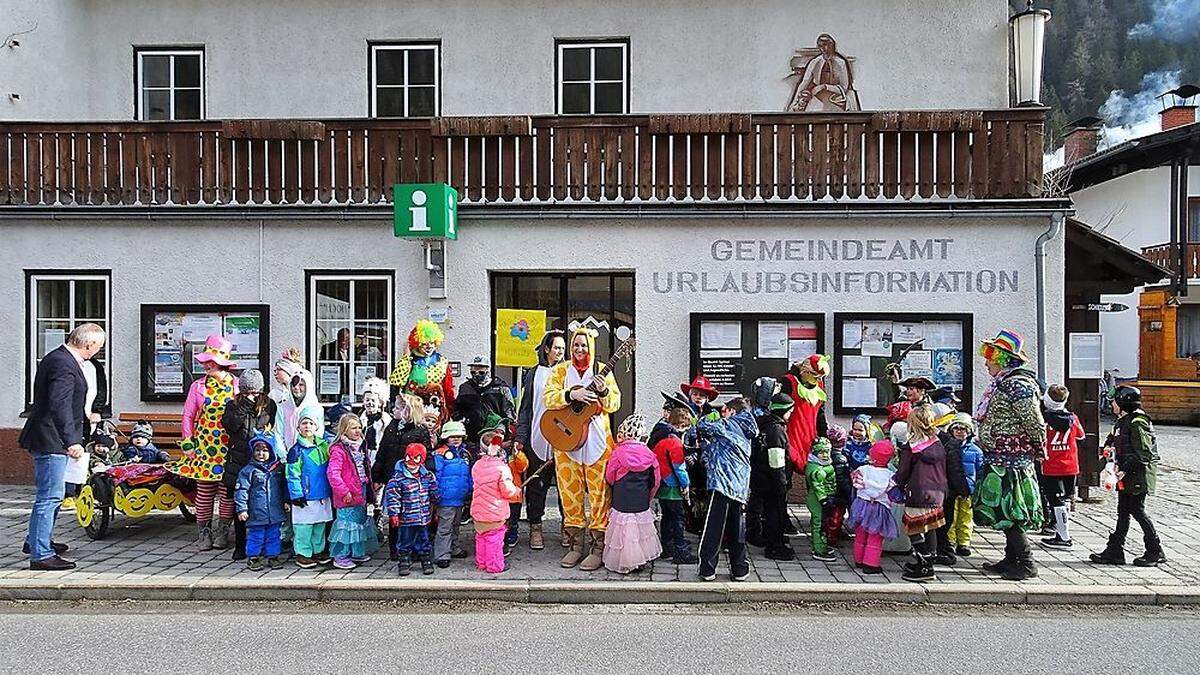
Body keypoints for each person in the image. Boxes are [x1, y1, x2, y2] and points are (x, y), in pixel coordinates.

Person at [20, 323, 105, 570]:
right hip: (52, 439)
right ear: (88, 344)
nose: (97, 352)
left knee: (52, 495)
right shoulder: (64, 364)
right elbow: (59, 405)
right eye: (98, 347)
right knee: (50, 496)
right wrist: (72, 441)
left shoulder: (57, 357)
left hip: (50, 436)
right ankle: (41, 554)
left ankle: (36, 540)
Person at [543, 325, 621, 571]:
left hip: (597, 439)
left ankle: (598, 547)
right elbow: (548, 397)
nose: (579, 349)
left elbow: (615, 403)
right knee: (569, 492)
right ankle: (575, 545)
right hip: (566, 439)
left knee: (599, 494)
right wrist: (570, 395)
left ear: (591, 347)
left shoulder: (601, 372)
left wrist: (604, 391)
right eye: (575, 344)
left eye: (583, 345)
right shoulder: (560, 370)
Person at [972, 330, 1047, 581]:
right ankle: (1011, 558)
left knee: (1011, 510)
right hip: (999, 457)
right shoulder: (1004, 383)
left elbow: (1034, 422)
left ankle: (1026, 563)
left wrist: (1040, 449)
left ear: (1003, 359)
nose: (986, 362)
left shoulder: (1019, 385)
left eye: (990, 356)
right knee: (1002, 511)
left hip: (1012, 461)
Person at [166, 335, 240, 551]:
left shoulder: (236, 385)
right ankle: (204, 532)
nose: (206, 365)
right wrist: (188, 442)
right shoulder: (198, 386)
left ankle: (223, 530)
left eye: (211, 361)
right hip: (204, 447)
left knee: (227, 491)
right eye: (205, 361)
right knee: (205, 491)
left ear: (222, 363)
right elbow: (188, 416)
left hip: (228, 448)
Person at [1090, 386, 1166, 567]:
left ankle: (1155, 550)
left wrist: (1123, 469)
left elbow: (1144, 453)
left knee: (1136, 510)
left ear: (1123, 403)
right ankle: (1115, 551)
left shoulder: (1138, 422)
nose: (1112, 404)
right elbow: (1113, 443)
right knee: (1123, 511)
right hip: (1125, 473)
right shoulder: (1122, 421)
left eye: (1114, 401)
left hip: (1138, 474)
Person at [690, 397, 757, 581]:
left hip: (722, 483)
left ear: (733, 411)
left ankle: (707, 569)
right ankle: (740, 568)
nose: (722, 413)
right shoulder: (746, 428)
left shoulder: (727, 425)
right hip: (740, 486)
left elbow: (702, 426)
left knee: (713, 527)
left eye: (725, 409)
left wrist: (706, 414)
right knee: (737, 529)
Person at [514, 330, 566, 551]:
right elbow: (525, 408)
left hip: (565, 438)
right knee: (536, 485)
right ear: (547, 349)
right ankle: (536, 527)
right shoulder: (533, 373)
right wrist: (520, 437)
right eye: (556, 347)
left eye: (563, 348)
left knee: (565, 486)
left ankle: (568, 528)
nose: (560, 352)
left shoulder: (568, 372)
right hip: (537, 437)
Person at [221, 369, 277, 561]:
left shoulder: (269, 405)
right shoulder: (232, 405)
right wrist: (244, 405)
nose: (251, 396)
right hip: (239, 461)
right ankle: (240, 545)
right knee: (240, 504)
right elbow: (230, 426)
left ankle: (262, 546)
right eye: (246, 392)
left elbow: (269, 428)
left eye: (254, 393)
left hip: (261, 459)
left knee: (261, 503)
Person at [371, 394, 435, 558]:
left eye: (398, 408)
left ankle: (414, 549)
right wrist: (377, 476)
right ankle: (396, 550)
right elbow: (382, 451)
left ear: (408, 411)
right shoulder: (392, 426)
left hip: (413, 481)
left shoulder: (419, 431)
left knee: (412, 515)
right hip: (393, 477)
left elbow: (426, 456)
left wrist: (428, 476)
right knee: (395, 512)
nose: (394, 410)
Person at [895, 404, 949, 582]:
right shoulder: (938, 443)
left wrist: (897, 483)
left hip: (918, 491)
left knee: (914, 529)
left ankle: (924, 563)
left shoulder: (912, 447)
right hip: (938, 492)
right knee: (930, 526)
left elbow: (903, 471)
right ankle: (930, 560)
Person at [602, 414, 662, 574]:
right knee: (641, 530)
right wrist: (650, 496)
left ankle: (626, 560)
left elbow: (610, 476)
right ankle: (641, 559)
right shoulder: (650, 454)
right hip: (641, 499)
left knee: (623, 530)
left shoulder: (617, 453)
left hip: (622, 498)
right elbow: (656, 480)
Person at [327, 414, 378, 569]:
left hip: (361, 488)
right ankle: (341, 555)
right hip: (347, 492)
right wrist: (343, 491)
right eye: (353, 428)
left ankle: (356, 552)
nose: (358, 431)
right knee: (346, 523)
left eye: (359, 427)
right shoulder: (339, 450)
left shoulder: (361, 445)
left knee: (359, 521)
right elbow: (333, 473)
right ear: (344, 429)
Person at [470, 426, 522, 574]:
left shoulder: (477, 465)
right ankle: (495, 565)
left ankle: (481, 562)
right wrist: (516, 490)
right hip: (494, 512)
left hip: (478, 511)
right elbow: (507, 491)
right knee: (495, 539)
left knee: (481, 537)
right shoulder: (502, 468)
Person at [749, 392, 795, 560]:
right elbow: (776, 460)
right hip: (771, 480)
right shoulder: (777, 430)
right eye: (790, 411)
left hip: (759, 476)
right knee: (775, 513)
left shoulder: (763, 424)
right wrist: (781, 483)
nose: (791, 415)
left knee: (765, 510)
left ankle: (765, 537)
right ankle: (775, 547)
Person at [383, 443, 441, 576]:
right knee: (405, 540)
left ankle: (425, 560)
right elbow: (393, 497)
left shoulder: (427, 476)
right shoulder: (398, 478)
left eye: (416, 459)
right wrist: (394, 514)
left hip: (423, 517)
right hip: (406, 517)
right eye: (408, 458)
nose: (411, 462)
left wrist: (436, 498)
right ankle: (403, 560)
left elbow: (434, 493)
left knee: (424, 539)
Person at [233, 433, 288, 571]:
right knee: (256, 536)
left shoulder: (277, 469)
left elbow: (283, 487)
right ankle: (253, 557)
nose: (261, 454)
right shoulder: (248, 471)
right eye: (257, 450)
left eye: (265, 450)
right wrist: (242, 509)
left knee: (274, 535)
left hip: (274, 511)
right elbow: (242, 490)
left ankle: (273, 556)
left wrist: (286, 501)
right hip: (256, 511)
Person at [652, 404, 698, 564]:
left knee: (666, 517)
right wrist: (686, 484)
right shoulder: (675, 443)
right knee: (678, 518)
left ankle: (667, 547)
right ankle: (680, 550)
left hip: (662, 485)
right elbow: (679, 468)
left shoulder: (663, 439)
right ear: (681, 426)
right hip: (673, 486)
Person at [1040, 384, 1085, 550]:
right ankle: (1062, 532)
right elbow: (1081, 436)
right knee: (1066, 498)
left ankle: (1064, 537)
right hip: (1070, 464)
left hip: (1051, 465)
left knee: (1055, 500)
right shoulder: (1073, 418)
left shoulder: (1043, 420)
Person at [286, 415, 333, 569]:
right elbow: (292, 474)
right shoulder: (296, 450)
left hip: (322, 493)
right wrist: (296, 494)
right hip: (305, 495)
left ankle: (318, 551)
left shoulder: (324, 446)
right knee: (304, 526)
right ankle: (303, 553)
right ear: (298, 427)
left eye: (311, 423)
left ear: (316, 426)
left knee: (319, 525)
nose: (307, 426)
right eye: (304, 423)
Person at [388, 320, 456, 423]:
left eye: (432, 343)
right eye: (424, 343)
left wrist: (450, 409)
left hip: (434, 407)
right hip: (413, 407)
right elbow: (396, 381)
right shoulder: (411, 360)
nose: (429, 346)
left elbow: (448, 389)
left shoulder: (442, 361)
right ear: (417, 343)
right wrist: (406, 358)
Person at [847, 440, 899, 575]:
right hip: (879, 508)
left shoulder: (862, 470)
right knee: (875, 537)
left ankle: (858, 560)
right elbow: (893, 493)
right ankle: (870, 564)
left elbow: (855, 484)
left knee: (860, 533)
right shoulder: (890, 476)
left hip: (861, 505)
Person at [785, 32, 860, 112]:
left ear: (832, 46)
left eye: (827, 45)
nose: (824, 49)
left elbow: (844, 88)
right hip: (818, 96)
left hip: (837, 97)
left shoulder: (841, 63)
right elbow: (804, 83)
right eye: (821, 46)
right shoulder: (815, 62)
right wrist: (794, 102)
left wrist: (824, 87)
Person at [432, 420, 472, 567]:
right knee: (444, 527)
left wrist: (470, 489)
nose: (456, 439)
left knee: (456, 525)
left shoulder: (465, 453)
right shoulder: (440, 454)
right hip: (445, 498)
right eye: (452, 436)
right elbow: (436, 475)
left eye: (459, 436)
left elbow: (468, 475)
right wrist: (436, 493)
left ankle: (454, 548)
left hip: (460, 497)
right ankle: (442, 554)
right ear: (445, 437)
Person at [781, 354, 829, 472]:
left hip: (810, 436)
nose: (819, 380)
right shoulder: (788, 381)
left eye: (821, 377)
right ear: (805, 371)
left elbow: (820, 413)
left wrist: (824, 435)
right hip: (790, 435)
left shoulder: (819, 385)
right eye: (816, 377)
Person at [944, 413, 983, 557]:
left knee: (966, 516)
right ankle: (951, 540)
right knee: (951, 516)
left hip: (969, 489)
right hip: (953, 488)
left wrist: (977, 487)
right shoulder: (948, 447)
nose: (960, 431)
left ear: (970, 431)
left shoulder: (976, 451)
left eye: (964, 429)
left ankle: (964, 542)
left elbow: (980, 470)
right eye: (957, 428)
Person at [457, 354, 516, 441]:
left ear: (487, 370)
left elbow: (509, 414)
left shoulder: (501, 388)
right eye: (473, 372)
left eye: (481, 372)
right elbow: (458, 409)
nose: (476, 375)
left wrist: (504, 430)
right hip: (470, 434)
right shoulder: (465, 388)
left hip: (493, 434)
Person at [805, 437, 838, 562]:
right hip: (818, 500)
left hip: (826, 497)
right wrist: (824, 500)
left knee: (824, 522)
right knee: (819, 524)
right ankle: (819, 549)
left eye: (827, 452)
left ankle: (822, 544)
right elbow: (818, 486)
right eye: (821, 452)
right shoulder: (816, 469)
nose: (825, 455)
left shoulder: (823, 464)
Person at [824, 423, 853, 548]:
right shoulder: (840, 458)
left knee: (831, 515)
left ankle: (834, 533)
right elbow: (841, 479)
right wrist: (849, 491)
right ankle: (832, 537)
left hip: (830, 491)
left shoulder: (827, 454)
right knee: (836, 516)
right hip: (838, 493)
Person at [359, 376, 392, 469]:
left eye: (373, 400)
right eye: (367, 400)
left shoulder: (386, 420)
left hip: (379, 456)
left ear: (380, 403)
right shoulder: (359, 419)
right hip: (362, 456)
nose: (370, 403)